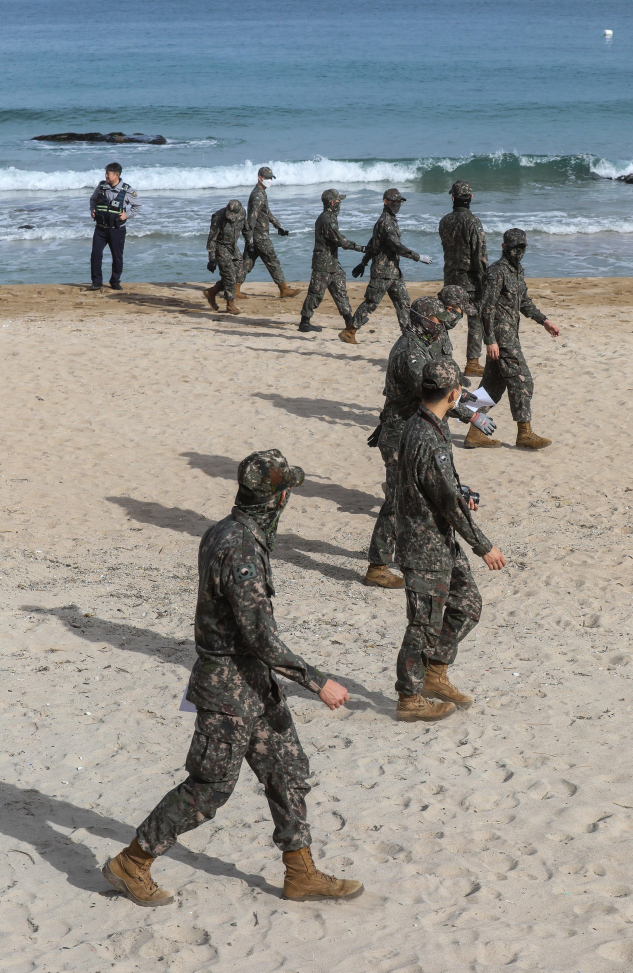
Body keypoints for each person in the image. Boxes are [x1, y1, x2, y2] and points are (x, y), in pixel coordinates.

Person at [102, 449, 363, 906]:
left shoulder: (227, 530)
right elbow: (260, 635)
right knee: (209, 788)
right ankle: (132, 862)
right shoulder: (241, 548)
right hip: (228, 687)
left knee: (286, 770)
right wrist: (317, 681)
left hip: (253, 681)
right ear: (278, 498)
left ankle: (300, 872)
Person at [394, 359, 506, 722]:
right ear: (454, 392)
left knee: (468, 604)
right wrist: (484, 545)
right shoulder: (428, 436)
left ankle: (435, 673)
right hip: (424, 544)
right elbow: (448, 506)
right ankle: (409, 698)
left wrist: (460, 490)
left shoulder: (423, 421)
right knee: (424, 624)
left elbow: (435, 484)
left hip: (437, 540)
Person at [364, 293, 497, 590]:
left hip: (415, 427)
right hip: (401, 433)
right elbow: (431, 394)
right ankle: (378, 566)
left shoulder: (422, 343)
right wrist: (469, 415)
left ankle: (390, 556)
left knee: (406, 496)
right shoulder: (410, 353)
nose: (441, 324)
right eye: (437, 320)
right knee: (397, 500)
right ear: (424, 321)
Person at [464, 228, 560, 450]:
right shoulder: (496, 272)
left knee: (490, 387)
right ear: (504, 247)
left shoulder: (517, 271)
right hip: (501, 340)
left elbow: (524, 302)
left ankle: (474, 432)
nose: (518, 251)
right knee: (523, 381)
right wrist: (490, 340)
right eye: (514, 247)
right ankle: (524, 433)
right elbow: (485, 308)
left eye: (522, 247)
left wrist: (544, 321)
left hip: (509, 337)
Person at [340, 189, 432, 344]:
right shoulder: (386, 222)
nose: (397, 205)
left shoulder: (388, 220)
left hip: (394, 272)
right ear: (385, 202)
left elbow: (372, 244)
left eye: (399, 202)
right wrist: (418, 257)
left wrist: (363, 262)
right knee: (371, 303)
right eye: (394, 202)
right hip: (382, 272)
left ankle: (408, 336)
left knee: (404, 304)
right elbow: (396, 246)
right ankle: (350, 331)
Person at [298, 189, 366, 334]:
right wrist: (360, 248)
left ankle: (349, 321)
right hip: (324, 264)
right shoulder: (328, 220)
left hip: (331, 262)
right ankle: (304, 322)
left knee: (340, 290)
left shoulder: (326, 217)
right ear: (333, 203)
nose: (340, 204)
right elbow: (341, 241)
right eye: (339, 201)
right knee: (315, 293)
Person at [438, 180, 488, 377]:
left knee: (448, 317)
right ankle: (472, 363)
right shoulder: (473, 222)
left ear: (453, 198)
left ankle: (438, 354)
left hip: (451, 277)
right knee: (475, 319)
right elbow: (480, 255)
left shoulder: (444, 221)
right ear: (471, 198)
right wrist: (486, 279)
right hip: (471, 280)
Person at [241, 167, 300, 298]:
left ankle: (229, 288)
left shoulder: (261, 193)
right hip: (260, 236)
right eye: (266, 178)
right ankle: (284, 289)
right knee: (272, 261)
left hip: (257, 236)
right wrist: (249, 241)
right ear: (259, 178)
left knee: (246, 264)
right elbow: (251, 219)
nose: (269, 181)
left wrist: (278, 226)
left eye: (270, 178)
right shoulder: (257, 195)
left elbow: (266, 213)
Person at [89, 162, 140, 290]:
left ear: (116, 175)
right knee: (95, 254)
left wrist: (127, 215)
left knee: (117, 256)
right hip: (100, 228)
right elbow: (93, 200)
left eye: (108, 174)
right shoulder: (101, 186)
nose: (106, 175)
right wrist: (93, 210)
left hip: (116, 230)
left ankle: (115, 281)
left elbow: (137, 205)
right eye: (105, 173)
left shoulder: (127, 190)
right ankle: (96, 282)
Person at [204, 200, 252, 315]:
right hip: (221, 247)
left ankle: (212, 291)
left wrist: (249, 243)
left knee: (240, 273)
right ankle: (230, 305)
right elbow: (212, 238)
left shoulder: (242, 213)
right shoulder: (219, 217)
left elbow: (246, 228)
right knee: (229, 276)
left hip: (233, 247)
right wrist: (212, 258)